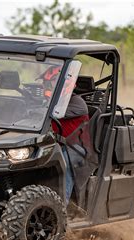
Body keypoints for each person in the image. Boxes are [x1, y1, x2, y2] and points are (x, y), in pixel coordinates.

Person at [42, 66, 89, 204]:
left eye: (50, 83)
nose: (46, 86)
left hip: (75, 147)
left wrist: (45, 97)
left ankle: (62, 205)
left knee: (64, 163)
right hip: (54, 143)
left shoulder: (77, 103)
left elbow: (52, 113)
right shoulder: (54, 102)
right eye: (46, 83)